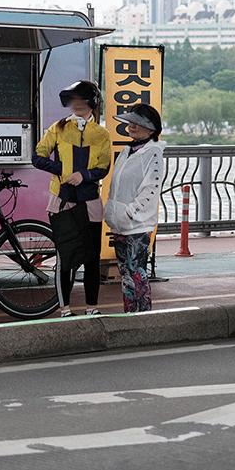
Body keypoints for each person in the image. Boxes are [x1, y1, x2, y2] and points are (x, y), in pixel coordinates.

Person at [33, 80, 111, 317]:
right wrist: (62, 170)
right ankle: (64, 308)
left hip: (89, 203)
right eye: (73, 99)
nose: (77, 104)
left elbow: (104, 167)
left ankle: (91, 307)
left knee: (91, 256)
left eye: (82, 99)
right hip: (62, 201)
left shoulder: (101, 133)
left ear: (92, 103)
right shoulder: (58, 128)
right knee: (65, 256)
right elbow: (38, 156)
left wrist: (84, 175)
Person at [103, 104, 165, 313]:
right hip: (120, 223)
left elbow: (151, 188)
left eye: (138, 123)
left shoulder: (153, 153)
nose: (132, 126)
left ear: (150, 129)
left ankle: (144, 315)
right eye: (131, 122)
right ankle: (130, 314)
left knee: (137, 272)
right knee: (126, 274)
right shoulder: (127, 150)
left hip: (136, 225)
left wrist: (131, 211)